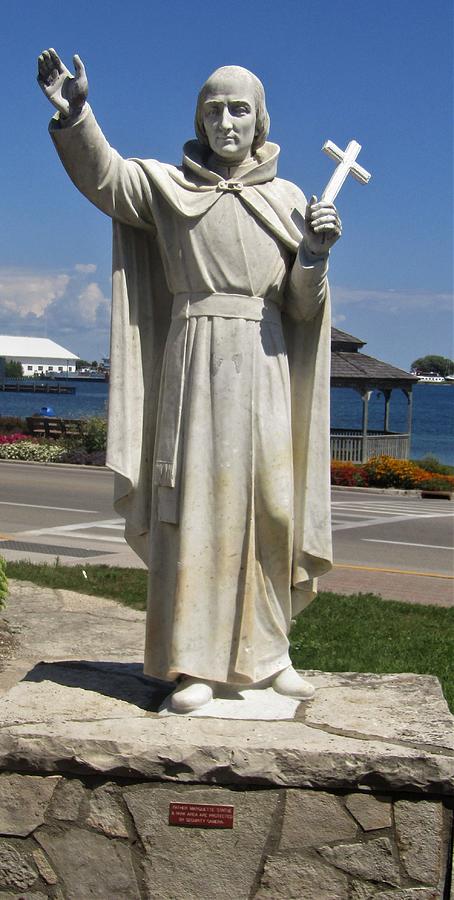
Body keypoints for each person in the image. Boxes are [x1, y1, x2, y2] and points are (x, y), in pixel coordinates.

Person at [37, 49, 341, 712]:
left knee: (269, 507)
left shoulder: (290, 200)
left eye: (238, 110)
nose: (225, 121)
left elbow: (302, 308)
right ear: (198, 121)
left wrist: (314, 255)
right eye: (213, 110)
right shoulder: (168, 187)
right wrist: (77, 115)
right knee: (197, 509)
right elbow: (108, 178)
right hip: (195, 359)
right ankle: (195, 662)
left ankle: (268, 653)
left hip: (263, 362)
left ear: (261, 121)